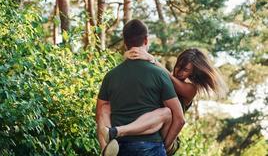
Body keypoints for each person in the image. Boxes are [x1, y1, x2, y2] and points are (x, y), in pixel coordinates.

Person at [100, 47, 228, 155]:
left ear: (193, 73)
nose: (180, 72)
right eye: (179, 67)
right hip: (151, 126)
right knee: (105, 108)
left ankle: (117, 131)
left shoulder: (190, 89)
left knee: (166, 112)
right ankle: (108, 145)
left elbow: (169, 80)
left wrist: (153, 60)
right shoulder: (166, 75)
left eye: (186, 70)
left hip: (169, 137)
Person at [96, 19, 185, 156]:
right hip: (150, 146)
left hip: (118, 148)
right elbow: (179, 118)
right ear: (146, 40)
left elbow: (100, 116)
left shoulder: (110, 76)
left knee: (105, 108)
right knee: (166, 112)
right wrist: (165, 146)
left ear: (125, 44)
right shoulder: (160, 74)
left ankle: (107, 147)